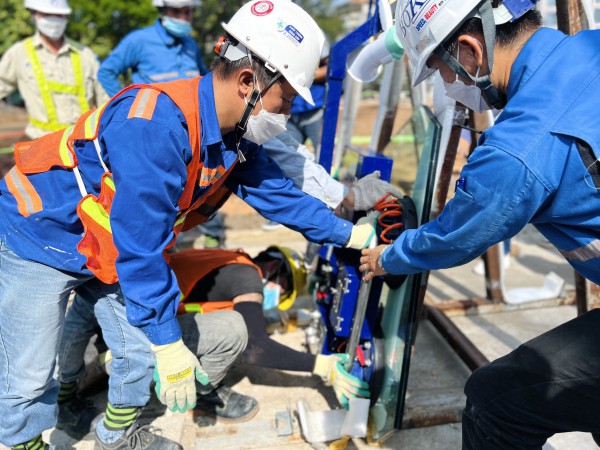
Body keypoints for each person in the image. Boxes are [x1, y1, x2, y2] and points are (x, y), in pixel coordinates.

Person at [0, 0, 377, 448]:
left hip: (105, 247)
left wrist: (348, 234)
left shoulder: (231, 137)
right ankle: (31, 436)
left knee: (137, 349)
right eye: (287, 98)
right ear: (248, 83)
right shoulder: (155, 126)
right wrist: (168, 341)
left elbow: (279, 197)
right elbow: (141, 244)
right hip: (40, 237)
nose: (288, 114)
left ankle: (115, 438)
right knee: (27, 373)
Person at [359, 0, 600, 448]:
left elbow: (460, 231)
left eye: (441, 71)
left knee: (497, 400)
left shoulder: (520, 146)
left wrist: (390, 256)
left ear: (469, 50)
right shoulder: (591, 47)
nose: (449, 87)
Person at [0, 0, 108, 139]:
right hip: (39, 143)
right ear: (33, 15)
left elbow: (106, 103)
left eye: (59, 15)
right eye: (47, 14)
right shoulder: (19, 53)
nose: (54, 20)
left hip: (83, 144)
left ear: (66, 17)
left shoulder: (86, 55)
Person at [97, 0, 208, 97]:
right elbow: (106, 72)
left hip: (192, 119)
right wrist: (125, 104)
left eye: (187, 12)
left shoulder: (191, 44)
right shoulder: (139, 40)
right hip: (153, 120)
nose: (183, 18)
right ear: (163, 10)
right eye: (176, 11)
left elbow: (205, 80)